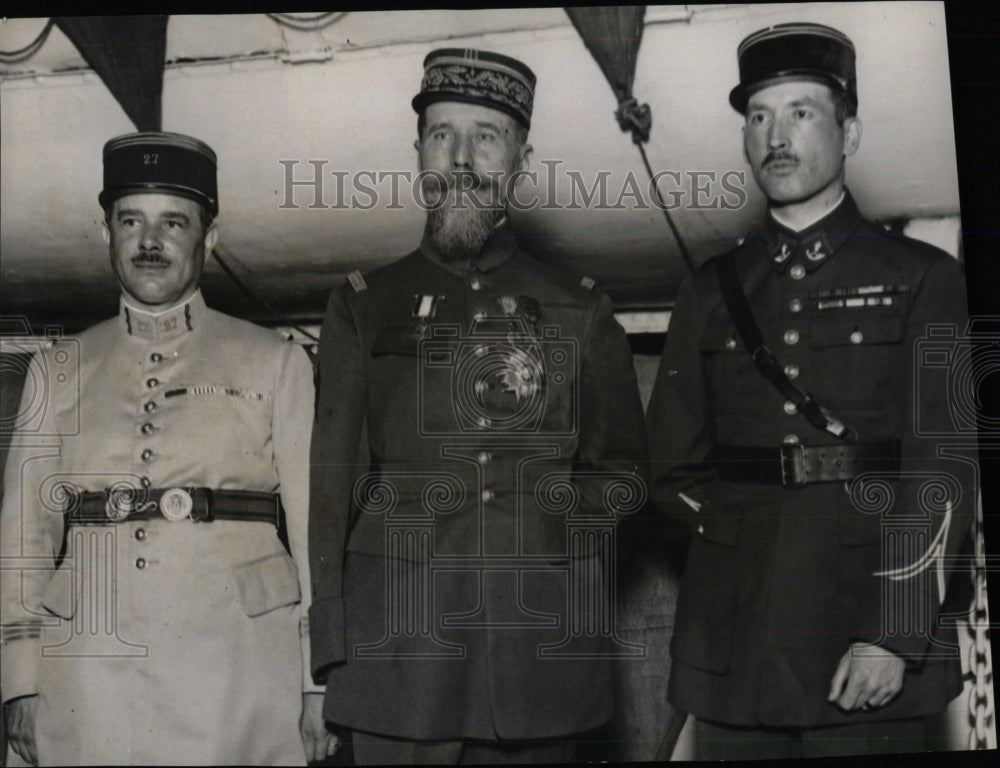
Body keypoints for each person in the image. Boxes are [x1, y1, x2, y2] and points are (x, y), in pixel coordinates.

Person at [308, 48, 647, 764]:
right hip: (396, 663)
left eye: (485, 137)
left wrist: (536, 511)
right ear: (418, 155)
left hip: (541, 665)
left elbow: (623, 477)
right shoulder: (363, 308)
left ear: (521, 161)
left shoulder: (580, 310)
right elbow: (331, 493)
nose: (461, 158)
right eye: (441, 135)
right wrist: (328, 651)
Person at [646, 23, 974, 759]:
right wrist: (743, 531)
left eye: (801, 112)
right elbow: (671, 467)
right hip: (736, 644)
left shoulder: (924, 278)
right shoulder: (710, 291)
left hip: (867, 633)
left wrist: (896, 632)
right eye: (758, 117)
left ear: (849, 133)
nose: (776, 136)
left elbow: (944, 465)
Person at [0, 131, 334, 765]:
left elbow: (318, 531)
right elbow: (23, 538)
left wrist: (316, 678)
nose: (149, 242)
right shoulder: (56, 369)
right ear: (107, 234)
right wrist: (19, 678)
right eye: (131, 220)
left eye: (173, 222)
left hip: (237, 667)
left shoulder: (277, 362)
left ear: (209, 239)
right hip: (87, 671)